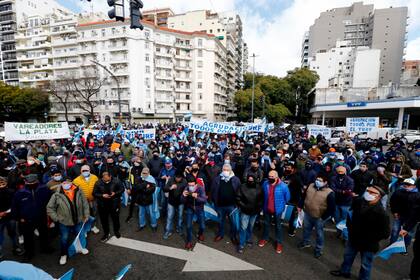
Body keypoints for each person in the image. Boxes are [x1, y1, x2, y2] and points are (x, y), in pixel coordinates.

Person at [330, 185, 390, 280]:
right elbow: (351, 215)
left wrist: (370, 238)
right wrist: (350, 228)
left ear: (378, 197)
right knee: (347, 257)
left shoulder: (382, 213)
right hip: (353, 238)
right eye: (368, 191)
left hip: (368, 244)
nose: (368, 193)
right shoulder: (358, 201)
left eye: (372, 192)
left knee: (365, 264)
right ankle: (344, 271)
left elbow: (385, 233)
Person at [47, 178, 90, 265]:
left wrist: (86, 214)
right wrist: (57, 218)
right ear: (61, 183)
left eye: (68, 182)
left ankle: (81, 247)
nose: (66, 183)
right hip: (64, 222)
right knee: (64, 238)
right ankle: (63, 254)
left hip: (78, 219)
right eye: (64, 182)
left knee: (80, 234)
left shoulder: (78, 190)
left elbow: (85, 203)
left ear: (71, 182)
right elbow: (49, 208)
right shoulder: (56, 194)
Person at [11, 174, 52, 261]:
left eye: (33, 182)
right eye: (29, 182)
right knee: (28, 237)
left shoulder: (44, 189)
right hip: (26, 219)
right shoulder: (19, 193)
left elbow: (50, 201)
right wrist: (18, 218)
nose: (32, 183)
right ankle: (29, 253)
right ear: (25, 182)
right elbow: (15, 207)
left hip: (42, 216)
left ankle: (45, 248)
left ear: (37, 181)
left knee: (44, 233)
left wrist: (50, 214)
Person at [297, 175, 335, 258]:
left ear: (325, 182)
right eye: (317, 179)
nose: (317, 181)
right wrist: (300, 205)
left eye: (320, 180)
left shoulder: (329, 193)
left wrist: (323, 218)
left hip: (319, 218)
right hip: (307, 213)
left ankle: (318, 249)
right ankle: (306, 242)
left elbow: (331, 208)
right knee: (306, 229)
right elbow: (303, 197)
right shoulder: (310, 186)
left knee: (319, 234)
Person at [258, 170, 290, 254]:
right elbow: (262, 195)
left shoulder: (283, 186)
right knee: (266, 224)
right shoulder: (265, 184)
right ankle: (265, 238)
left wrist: (281, 205)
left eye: (272, 177)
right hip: (266, 208)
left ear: (276, 177)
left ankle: (279, 243)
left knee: (278, 227)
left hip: (278, 210)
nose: (270, 178)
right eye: (269, 176)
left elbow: (287, 198)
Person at [211, 164, 241, 243]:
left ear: (231, 170)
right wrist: (214, 202)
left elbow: (239, 192)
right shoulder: (217, 179)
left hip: (232, 206)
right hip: (220, 205)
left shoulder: (236, 179)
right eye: (224, 170)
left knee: (235, 224)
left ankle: (233, 236)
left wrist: (238, 204)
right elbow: (213, 191)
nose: (225, 171)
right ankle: (220, 234)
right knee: (221, 221)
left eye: (227, 170)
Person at [236, 174, 263, 253]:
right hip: (245, 211)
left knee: (250, 227)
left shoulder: (259, 188)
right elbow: (238, 198)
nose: (250, 181)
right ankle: (241, 243)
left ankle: (248, 239)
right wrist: (244, 206)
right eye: (249, 179)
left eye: (252, 180)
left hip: (254, 212)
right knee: (243, 227)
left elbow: (261, 200)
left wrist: (258, 208)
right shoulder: (242, 187)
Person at [93, 171, 124, 242]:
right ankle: (106, 233)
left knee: (115, 219)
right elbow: (94, 193)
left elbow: (122, 189)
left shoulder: (116, 181)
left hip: (114, 203)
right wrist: (102, 195)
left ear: (110, 177)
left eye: (106, 179)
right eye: (103, 179)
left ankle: (116, 231)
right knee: (104, 220)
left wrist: (115, 193)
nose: (105, 180)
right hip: (102, 204)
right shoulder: (98, 182)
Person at [390, 178, 419, 249]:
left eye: (409, 185)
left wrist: (416, 219)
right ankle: (391, 246)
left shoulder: (418, 196)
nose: (406, 186)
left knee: (409, 234)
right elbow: (393, 201)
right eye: (405, 184)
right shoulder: (398, 192)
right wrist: (394, 211)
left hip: (411, 219)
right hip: (399, 216)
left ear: (414, 186)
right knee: (395, 231)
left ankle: (404, 247)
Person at [0, 177, 24, 260]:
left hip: (10, 217)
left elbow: (15, 205)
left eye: (3, 183)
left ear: (6, 183)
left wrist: (6, 212)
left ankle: (15, 248)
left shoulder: (11, 192)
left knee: (13, 234)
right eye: (0, 184)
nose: (1, 185)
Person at [181, 175, 207, 250]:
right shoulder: (186, 188)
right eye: (189, 185)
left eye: (192, 185)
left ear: (195, 184)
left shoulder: (200, 188)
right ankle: (189, 241)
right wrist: (183, 196)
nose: (191, 187)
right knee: (189, 226)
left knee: (202, 226)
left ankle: (200, 234)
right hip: (190, 208)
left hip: (199, 209)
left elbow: (204, 200)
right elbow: (182, 201)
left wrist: (197, 197)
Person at [73, 165, 100, 234]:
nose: (85, 172)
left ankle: (94, 226)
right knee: (84, 215)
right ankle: (85, 229)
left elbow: (98, 187)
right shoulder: (76, 180)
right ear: (80, 171)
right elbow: (74, 193)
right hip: (83, 201)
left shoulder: (94, 177)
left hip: (93, 199)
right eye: (83, 171)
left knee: (94, 213)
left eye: (86, 170)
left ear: (89, 170)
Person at [330, 165, 354, 239]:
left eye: (342, 172)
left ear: (345, 172)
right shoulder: (333, 178)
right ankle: (338, 233)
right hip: (336, 201)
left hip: (346, 203)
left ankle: (345, 237)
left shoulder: (350, 180)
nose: (340, 173)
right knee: (337, 219)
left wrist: (340, 191)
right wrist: (343, 191)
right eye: (339, 171)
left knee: (345, 221)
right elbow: (332, 188)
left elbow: (349, 190)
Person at [163, 170, 186, 239]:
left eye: (179, 178)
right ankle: (168, 230)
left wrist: (185, 192)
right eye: (176, 177)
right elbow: (165, 189)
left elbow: (187, 190)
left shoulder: (184, 181)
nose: (178, 179)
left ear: (181, 177)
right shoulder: (171, 180)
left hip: (180, 202)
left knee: (180, 216)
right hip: (171, 202)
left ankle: (179, 228)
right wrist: (170, 188)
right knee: (169, 217)